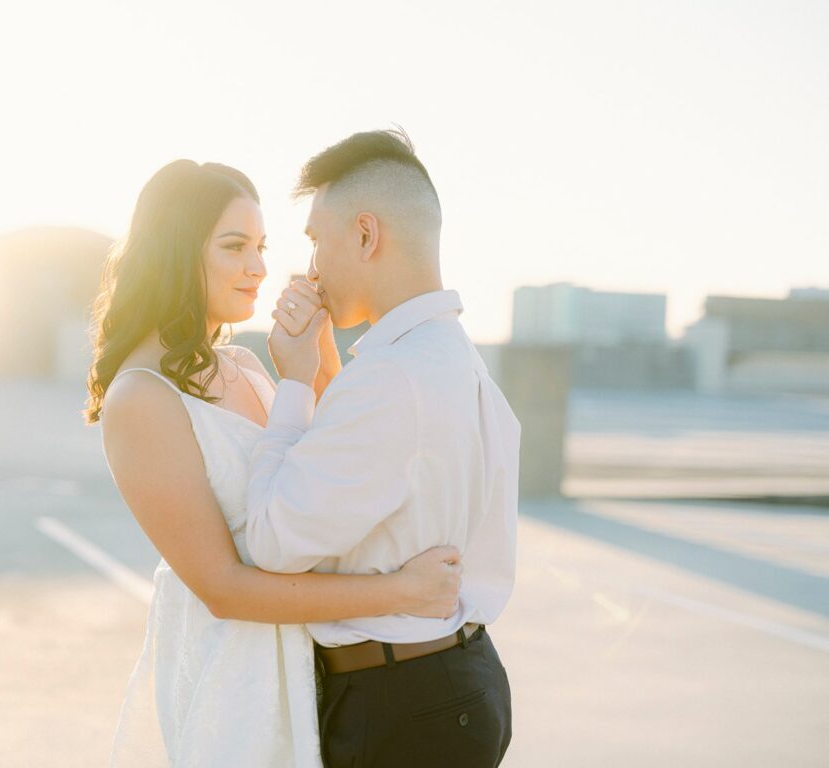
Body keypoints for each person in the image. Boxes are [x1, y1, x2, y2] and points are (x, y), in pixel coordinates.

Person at [83, 159, 465, 767]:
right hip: (234, 687)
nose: (258, 267)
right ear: (176, 251)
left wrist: (318, 355)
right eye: (234, 247)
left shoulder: (250, 367)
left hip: (316, 670)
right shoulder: (141, 397)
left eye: (261, 246)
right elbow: (223, 589)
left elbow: (335, 466)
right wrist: (399, 591)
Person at [246, 129, 521, 767]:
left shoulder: (393, 375)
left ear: (366, 235)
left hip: (399, 704)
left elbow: (271, 540)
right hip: (454, 680)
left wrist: (291, 382)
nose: (310, 268)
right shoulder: (453, 357)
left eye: (316, 240)